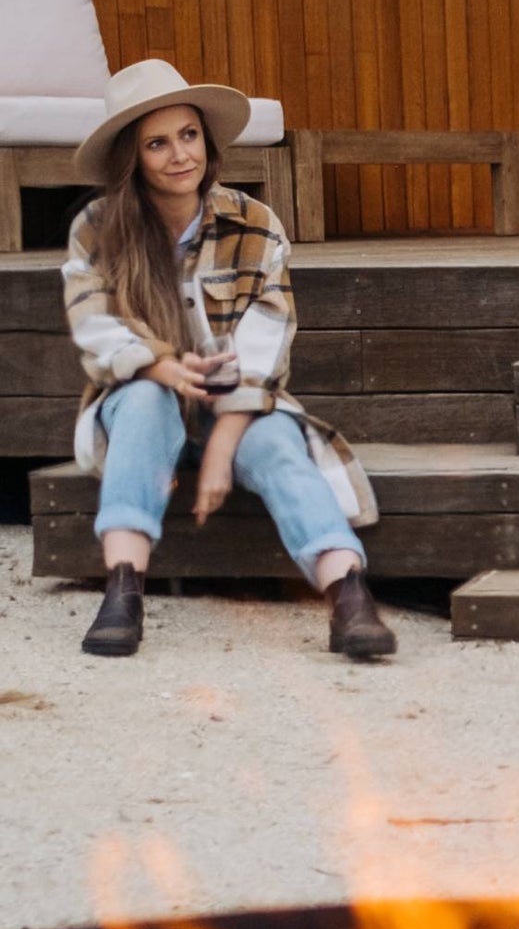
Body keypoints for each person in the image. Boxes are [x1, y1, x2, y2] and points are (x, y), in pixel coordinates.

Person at [63, 60, 395, 661]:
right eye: (157, 144)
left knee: (278, 444)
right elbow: (94, 323)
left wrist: (221, 445)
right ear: (132, 159)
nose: (179, 155)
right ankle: (122, 591)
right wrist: (161, 367)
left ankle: (348, 594)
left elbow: (267, 340)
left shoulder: (253, 223)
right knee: (143, 401)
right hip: (145, 401)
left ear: (207, 141)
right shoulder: (98, 227)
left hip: (237, 404)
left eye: (188, 135)